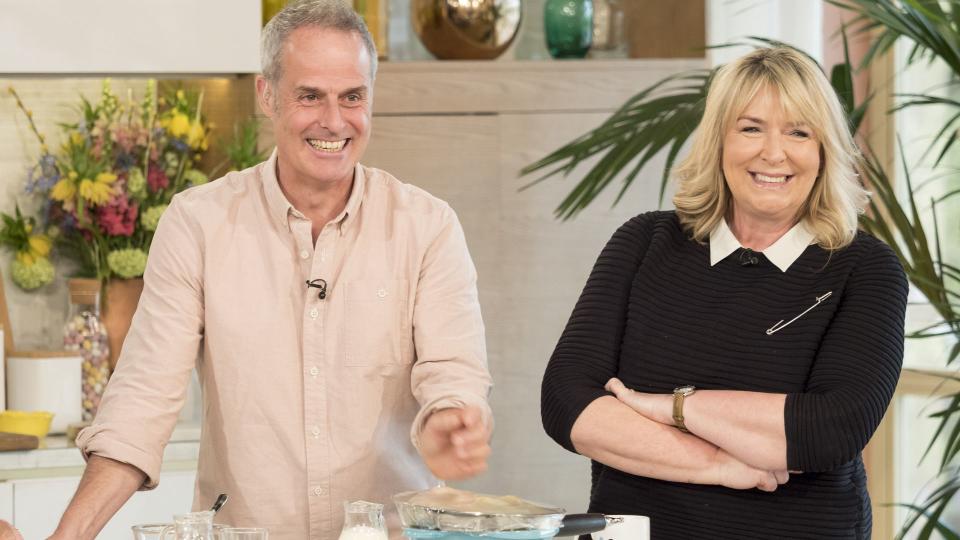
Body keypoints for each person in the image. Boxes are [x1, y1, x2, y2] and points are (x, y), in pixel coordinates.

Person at [34, 2, 493, 538]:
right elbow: (141, 402)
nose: (334, 121)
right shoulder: (198, 223)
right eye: (309, 96)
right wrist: (67, 536)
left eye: (352, 97)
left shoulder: (427, 225)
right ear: (266, 96)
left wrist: (451, 419)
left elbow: (453, 374)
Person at [540, 47, 907, 539]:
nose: (773, 153)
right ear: (718, 141)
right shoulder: (644, 242)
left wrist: (671, 408)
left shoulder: (864, 268)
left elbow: (829, 429)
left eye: (799, 132)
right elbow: (567, 403)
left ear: (823, 152)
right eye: (751, 128)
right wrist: (718, 464)